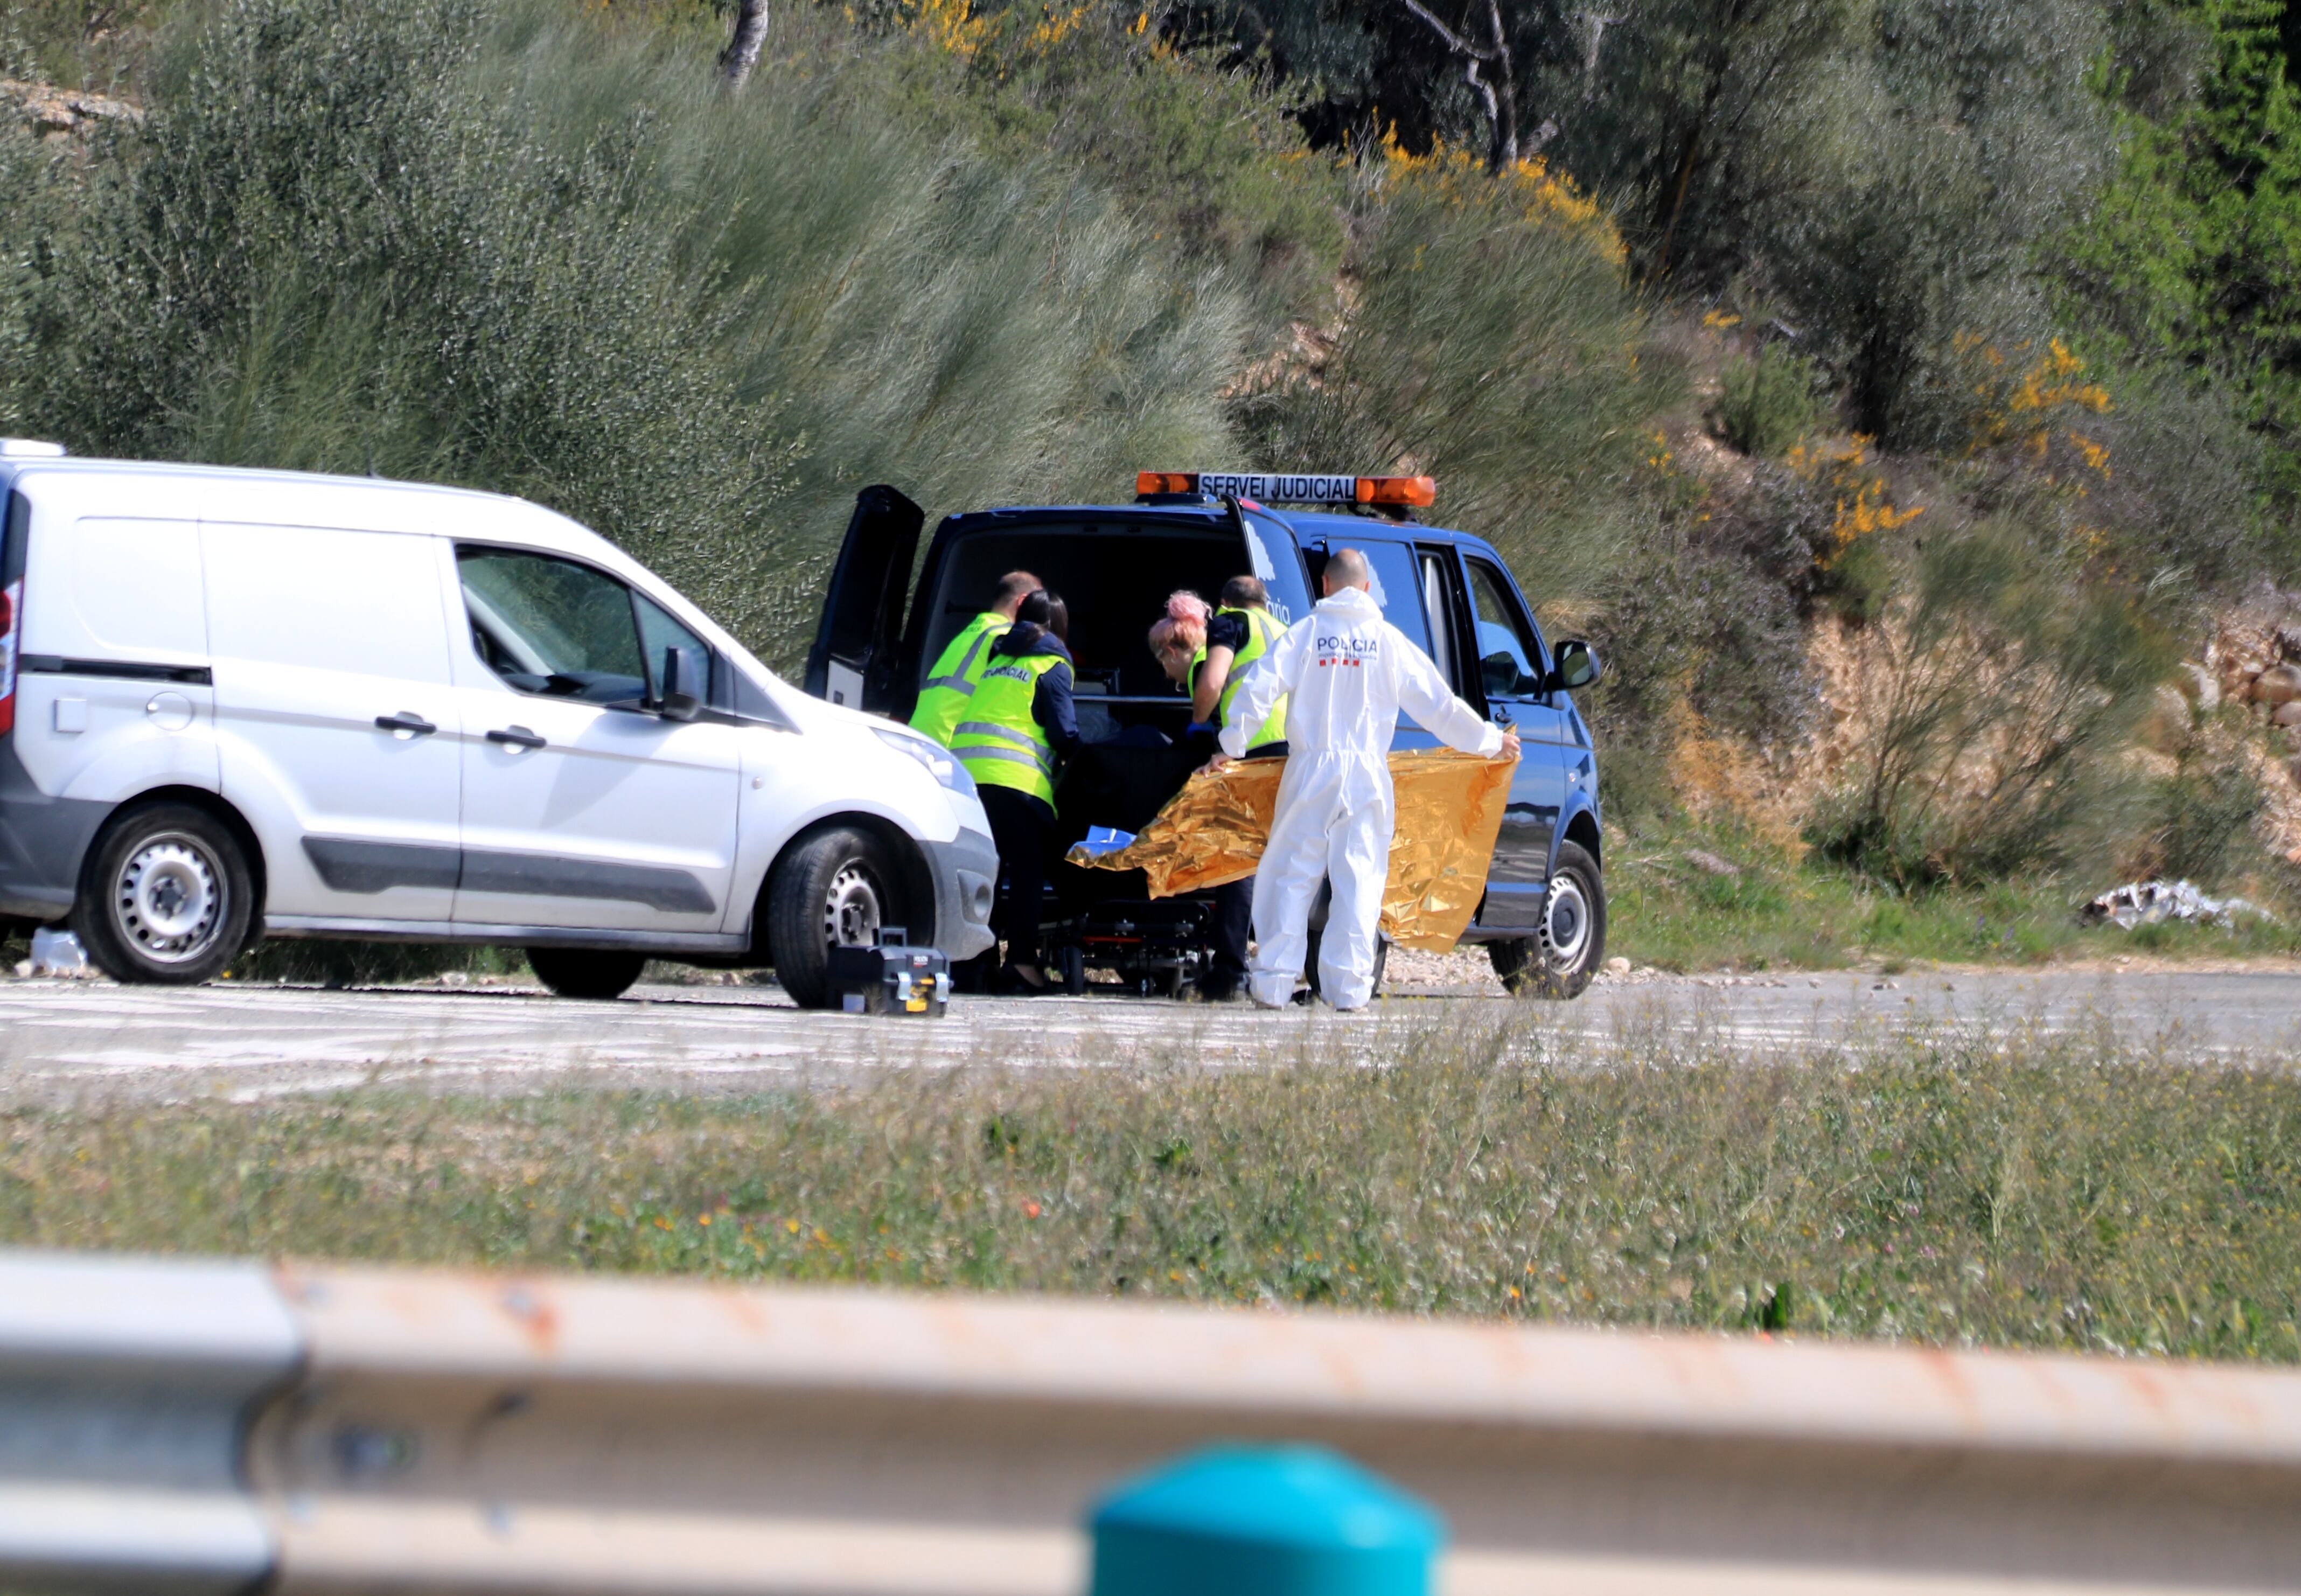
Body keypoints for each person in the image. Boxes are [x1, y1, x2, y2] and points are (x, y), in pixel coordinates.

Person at [1210, 548, 1519, 1012]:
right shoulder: (1388, 641)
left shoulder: (1307, 633)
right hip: (1368, 775)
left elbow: (1260, 687)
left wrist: (1231, 744)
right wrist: (1491, 741)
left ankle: (1272, 983)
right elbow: (1439, 704)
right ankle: (1349, 991)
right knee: (1360, 880)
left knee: (1291, 875)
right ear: (1368, 589)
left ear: (1325, 586)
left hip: (1311, 768)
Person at [953, 589, 1079, 993]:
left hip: (967, 781)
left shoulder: (997, 659)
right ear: (1059, 628)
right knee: (1027, 873)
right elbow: (1063, 733)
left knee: (986, 873)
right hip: (1017, 783)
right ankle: (1022, 964)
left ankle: (974, 963)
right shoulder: (1054, 665)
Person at [910, 569, 1043, 747]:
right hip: (949, 743)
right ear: (1023, 602)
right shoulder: (1004, 637)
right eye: (1037, 605)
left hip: (923, 736)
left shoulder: (973, 631)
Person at [1191, 575, 1288, 753]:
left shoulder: (1231, 622)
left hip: (1251, 743)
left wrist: (1198, 720)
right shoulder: (1286, 631)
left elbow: (1212, 683)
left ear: (1225, 603)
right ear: (1264, 603)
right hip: (1291, 746)